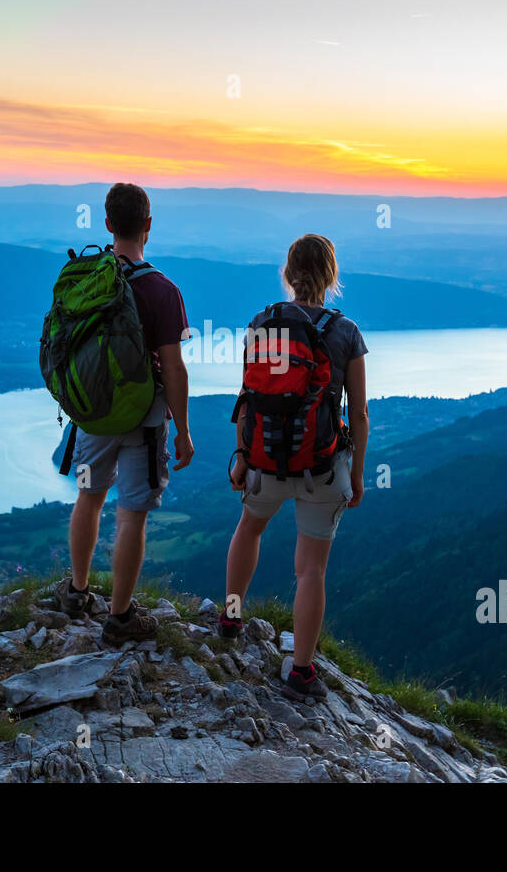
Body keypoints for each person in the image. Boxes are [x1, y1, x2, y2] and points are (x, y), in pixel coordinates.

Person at [222, 233, 367, 702]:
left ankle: (230, 616)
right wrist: (358, 474)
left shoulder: (262, 323)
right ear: (330, 276)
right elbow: (360, 414)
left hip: (264, 460)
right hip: (323, 468)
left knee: (249, 528)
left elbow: (248, 397)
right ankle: (301, 671)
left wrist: (243, 456)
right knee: (311, 571)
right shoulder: (345, 332)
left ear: (288, 273)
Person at [54, 183, 195, 644]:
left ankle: (76, 593)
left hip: (93, 413)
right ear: (148, 226)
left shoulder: (84, 278)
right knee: (132, 512)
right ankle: (119, 618)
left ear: (109, 224)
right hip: (144, 418)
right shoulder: (162, 289)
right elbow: (173, 369)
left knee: (89, 496)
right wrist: (184, 432)